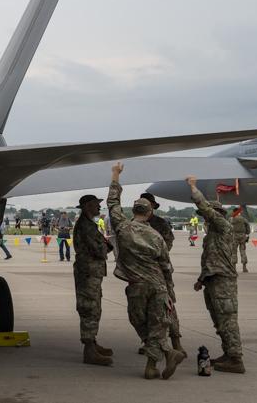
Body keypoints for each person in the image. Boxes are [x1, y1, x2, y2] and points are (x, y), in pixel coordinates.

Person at [108, 162, 185, 380]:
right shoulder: (157, 237)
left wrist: (115, 175)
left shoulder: (123, 227)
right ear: (150, 212)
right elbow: (166, 266)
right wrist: (170, 292)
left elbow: (113, 203)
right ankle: (163, 357)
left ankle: (158, 361)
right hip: (158, 285)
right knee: (157, 325)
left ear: (134, 211)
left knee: (138, 321)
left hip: (138, 285)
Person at [183, 176, 244, 373]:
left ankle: (236, 359)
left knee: (227, 320)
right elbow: (211, 259)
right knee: (219, 320)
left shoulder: (223, 227)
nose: (204, 217)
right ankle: (228, 353)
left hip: (223, 281)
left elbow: (206, 209)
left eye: (207, 215)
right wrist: (201, 279)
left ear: (217, 214)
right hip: (213, 280)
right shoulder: (212, 235)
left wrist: (193, 188)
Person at [141, 191, 185, 357]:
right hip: (142, 271)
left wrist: (155, 254)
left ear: (152, 206)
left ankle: (176, 341)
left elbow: (168, 242)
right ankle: (149, 342)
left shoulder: (160, 223)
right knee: (144, 308)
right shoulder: (134, 224)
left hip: (160, 269)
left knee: (168, 306)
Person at [72, 193, 113, 366]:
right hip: (88, 272)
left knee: (94, 307)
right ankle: (89, 350)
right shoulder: (86, 226)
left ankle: (93, 344)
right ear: (88, 206)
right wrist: (107, 246)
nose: (99, 207)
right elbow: (100, 250)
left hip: (91, 272)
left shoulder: (89, 224)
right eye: (96, 204)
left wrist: (105, 245)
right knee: (89, 308)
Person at [230, 207, 251, 273]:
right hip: (242, 236)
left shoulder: (231, 219)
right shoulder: (243, 219)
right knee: (243, 251)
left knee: (233, 252)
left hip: (234, 236)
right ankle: (244, 267)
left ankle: (234, 268)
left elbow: (228, 227)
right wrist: (247, 233)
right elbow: (248, 228)